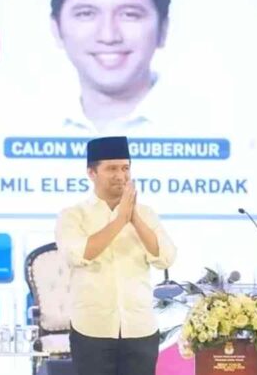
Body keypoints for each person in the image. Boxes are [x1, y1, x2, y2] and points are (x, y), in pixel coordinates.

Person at [55, 136, 176, 375]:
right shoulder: (73, 215)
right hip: (92, 330)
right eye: (111, 169)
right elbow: (79, 254)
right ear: (91, 173)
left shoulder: (146, 214)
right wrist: (120, 219)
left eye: (125, 168)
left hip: (140, 329)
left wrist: (134, 218)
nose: (120, 175)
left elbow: (166, 257)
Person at [49, 0, 174, 135]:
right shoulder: (25, 127)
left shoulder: (212, 128)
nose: (108, 36)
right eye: (86, 14)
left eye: (130, 15)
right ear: (56, 29)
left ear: (163, 29)